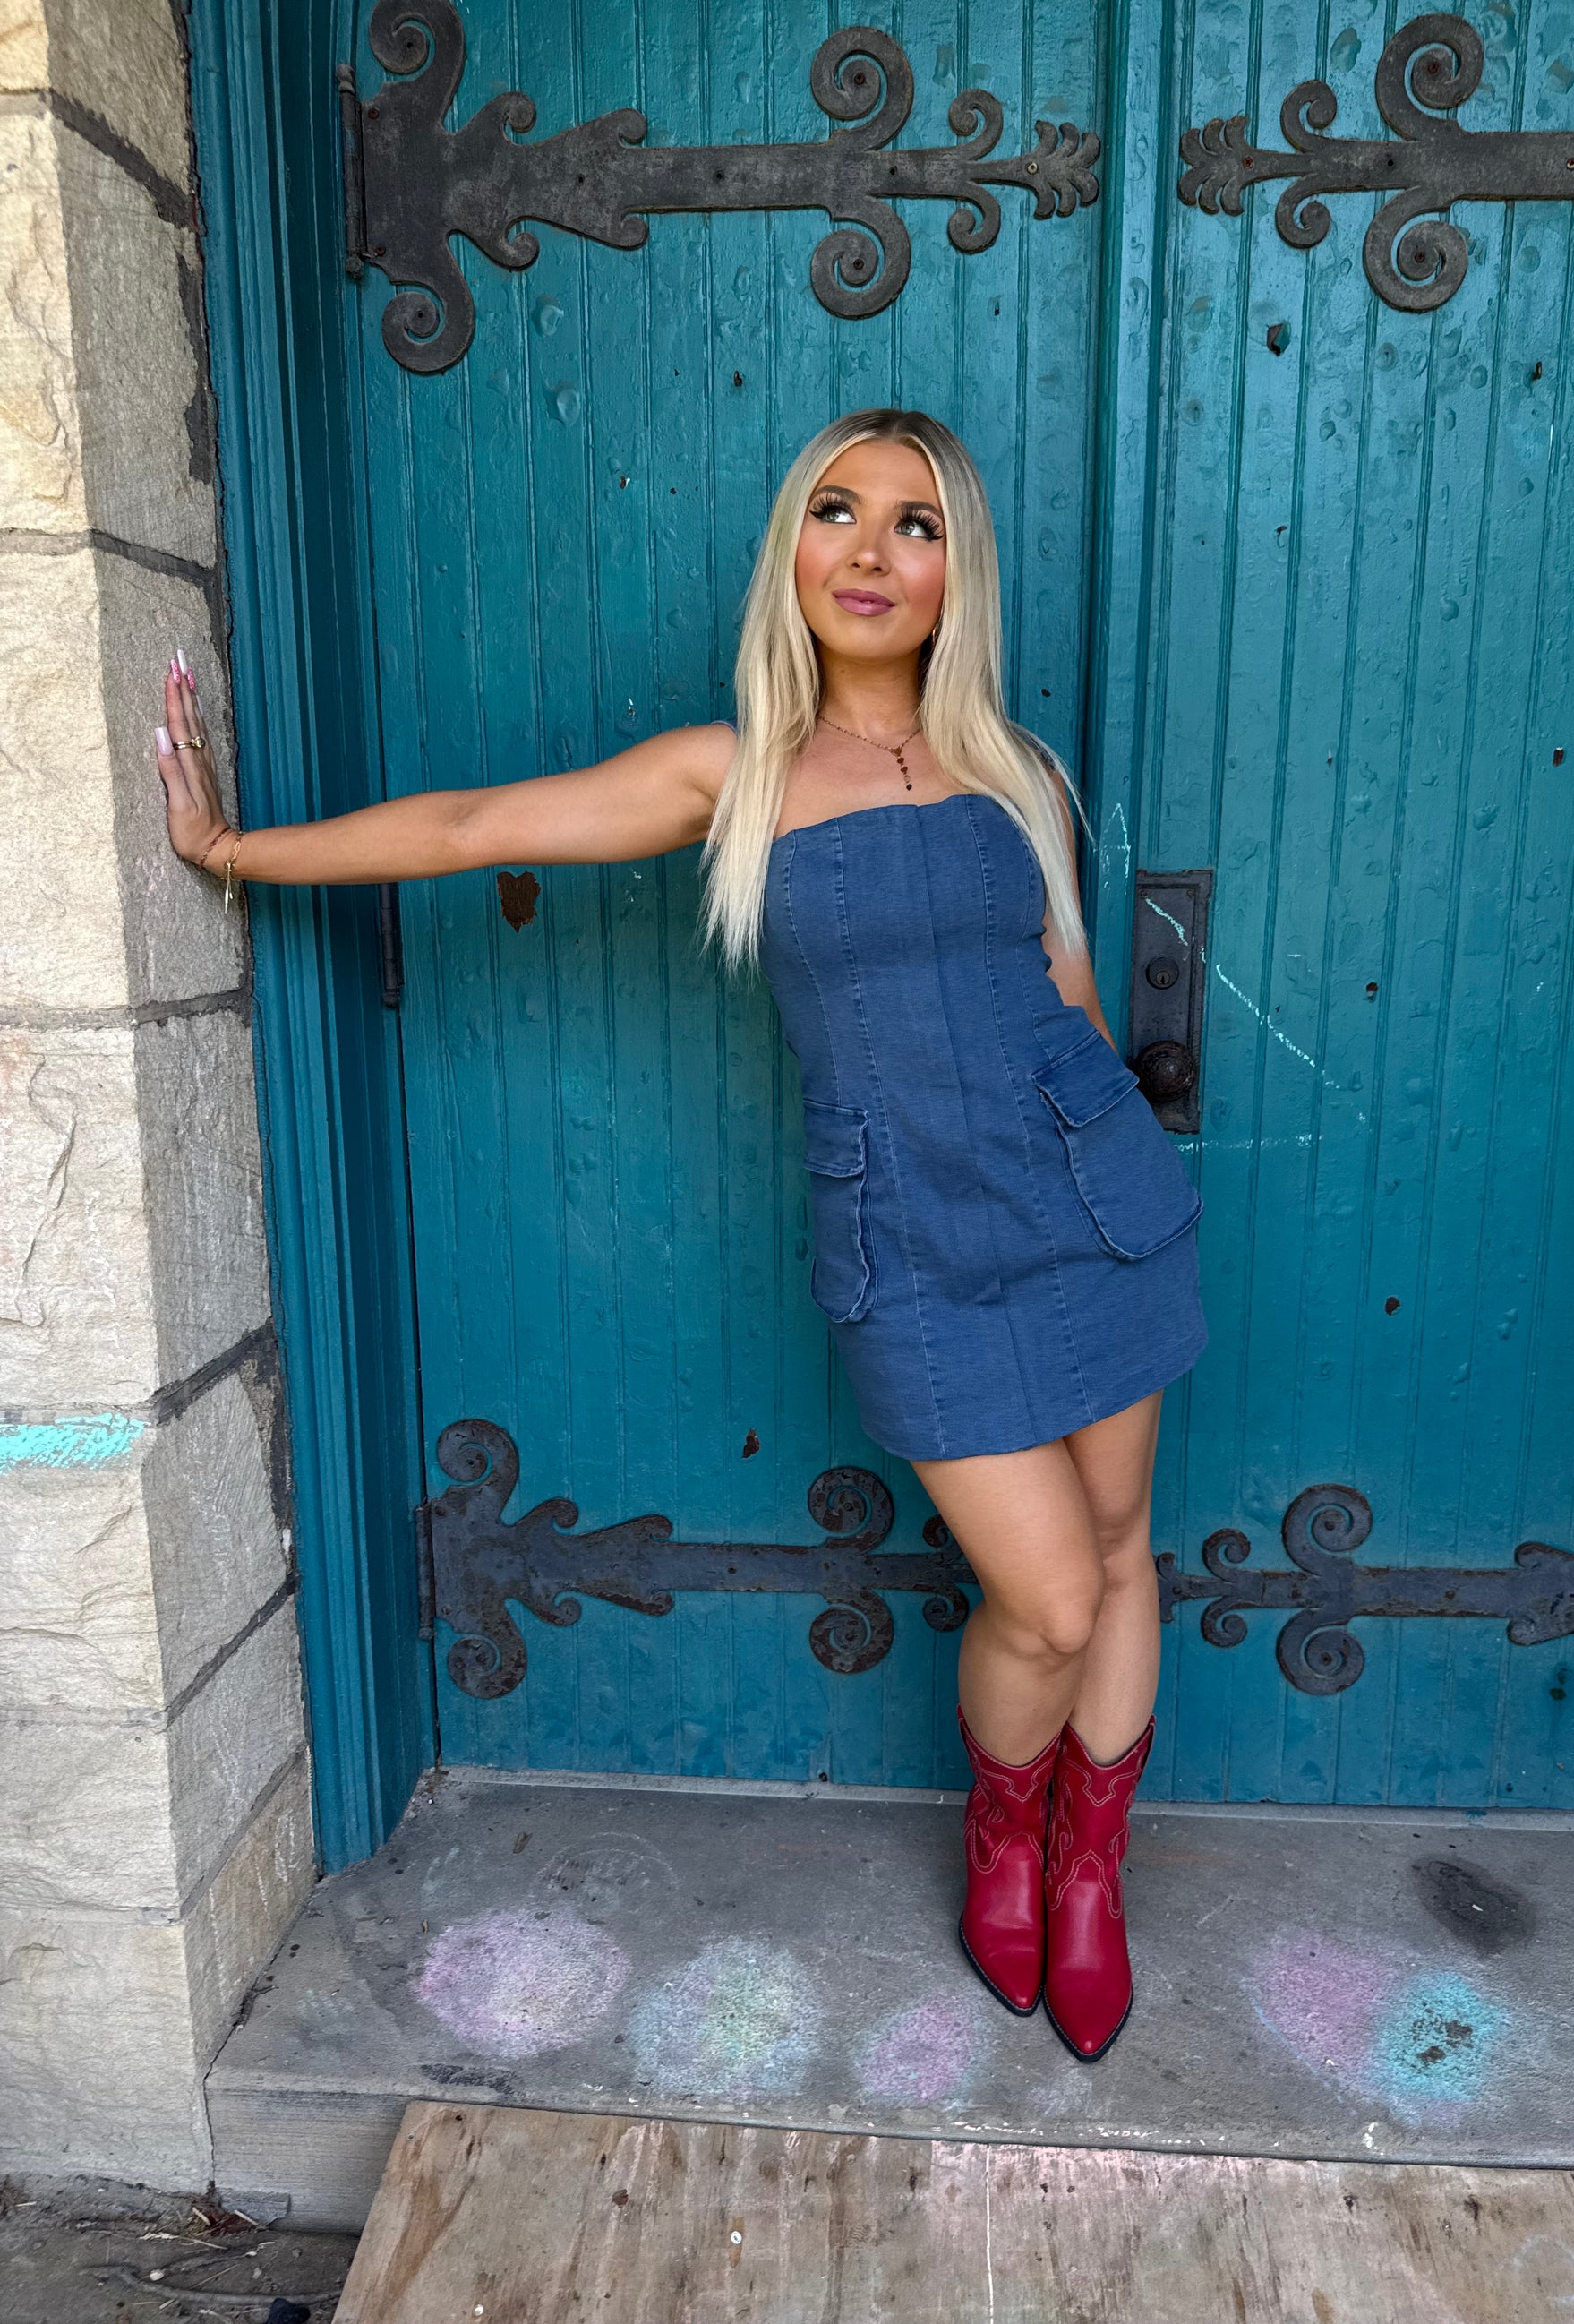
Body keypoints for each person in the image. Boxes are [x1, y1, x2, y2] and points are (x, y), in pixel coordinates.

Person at [152, 408, 1206, 2062]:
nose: (871, 552)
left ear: (958, 572)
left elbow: (1065, 992)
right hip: (915, 1244)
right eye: (837, 512)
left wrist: (1118, 1163)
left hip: (1092, 1208)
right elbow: (472, 828)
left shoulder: (1020, 771)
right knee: (1052, 1601)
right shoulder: (737, 773)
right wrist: (232, 850)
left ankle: (1088, 1878)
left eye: (916, 523)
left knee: (1125, 1551)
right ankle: (1008, 1832)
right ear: (792, 550)